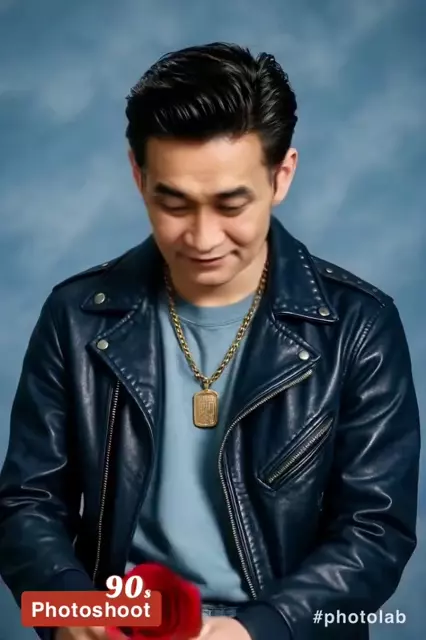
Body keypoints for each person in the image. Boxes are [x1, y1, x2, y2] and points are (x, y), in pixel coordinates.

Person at [0, 42, 421, 640]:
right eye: (172, 203)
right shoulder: (75, 316)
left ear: (281, 176)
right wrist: (70, 611)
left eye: (230, 205)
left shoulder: (359, 325)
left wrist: (261, 628)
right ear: (138, 176)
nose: (201, 238)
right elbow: (25, 505)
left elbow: (376, 532)